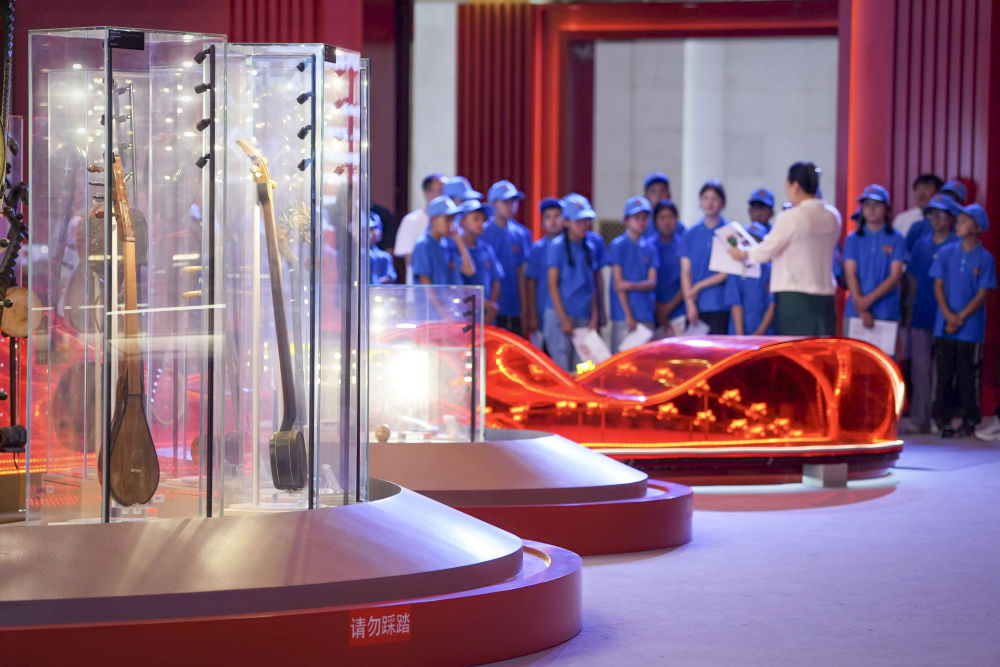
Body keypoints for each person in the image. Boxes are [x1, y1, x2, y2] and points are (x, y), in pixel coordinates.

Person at [728, 161, 842, 336]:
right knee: (820, 347)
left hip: (794, 297)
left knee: (795, 348)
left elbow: (767, 250)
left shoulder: (791, 216)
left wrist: (742, 253)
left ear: (795, 186)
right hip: (825, 295)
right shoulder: (832, 216)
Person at [930, 203, 996, 437]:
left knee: (968, 374)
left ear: (977, 228)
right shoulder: (946, 252)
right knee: (944, 373)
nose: (959, 224)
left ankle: (969, 418)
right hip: (944, 325)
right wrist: (948, 315)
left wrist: (960, 317)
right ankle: (942, 418)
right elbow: (938, 284)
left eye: (965, 221)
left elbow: (982, 293)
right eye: (959, 220)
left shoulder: (985, 258)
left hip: (970, 328)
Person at [903, 193, 959, 433]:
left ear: (951, 217)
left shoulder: (957, 244)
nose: (936, 219)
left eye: (941, 214)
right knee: (920, 369)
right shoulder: (921, 244)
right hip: (922, 313)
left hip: (947, 315)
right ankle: (920, 418)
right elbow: (913, 280)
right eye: (932, 214)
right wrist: (909, 311)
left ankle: (940, 417)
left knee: (944, 370)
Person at [842, 184, 907, 346]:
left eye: (877, 205)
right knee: (853, 357)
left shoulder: (896, 238)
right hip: (855, 311)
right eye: (867, 205)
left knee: (885, 358)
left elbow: (894, 276)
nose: (871, 209)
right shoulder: (853, 238)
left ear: (886, 208)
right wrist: (861, 306)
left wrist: (867, 301)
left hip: (886, 311)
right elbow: (850, 274)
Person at [544, 194, 599, 373]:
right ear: (566, 222)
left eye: (586, 221)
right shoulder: (557, 246)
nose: (584, 225)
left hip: (583, 315)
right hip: (561, 315)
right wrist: (563, 319)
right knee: (561, 369)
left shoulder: (589, 247)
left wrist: (594, 316)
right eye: (579, 221)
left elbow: (591, 285)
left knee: (583, 369)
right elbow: (552, 285)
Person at [608, 196, 659, 353]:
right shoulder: (618, 245)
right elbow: (618, 284)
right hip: (623, 317)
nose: (641, 222)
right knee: (621, 362)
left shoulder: (650, 247)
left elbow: (652, 282)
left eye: (644, 217)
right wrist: (629, 316)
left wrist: (629, 284)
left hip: (646, 314)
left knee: (645, 362)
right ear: (626, 220)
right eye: (637, 218)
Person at [482, 180, 532, 336]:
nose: (510, 206)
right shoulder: (482, 231)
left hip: (514, 305)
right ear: (493, 204)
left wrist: (525, 309)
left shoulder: (522, 233)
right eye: (505, 202)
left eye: (513, 202)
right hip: (489, 306)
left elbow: (522, 273)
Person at [680, 180, 731, 334]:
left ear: (722, 202)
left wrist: (697, 287)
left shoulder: (729, 232)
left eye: (714, 198)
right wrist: (690, 304)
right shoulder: (690, 234)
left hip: (720, 305)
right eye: (706, 198)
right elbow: (685, 272)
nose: (709, 203)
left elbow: (725, 273)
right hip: (695, 306)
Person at [525, 197, 564, 343]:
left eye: (557, 216)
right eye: (548, 217)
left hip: (568, 312)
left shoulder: (571, 246)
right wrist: (533, 315)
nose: (553, 221)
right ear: (542, 221)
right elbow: (531, 283)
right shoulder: (537, 248)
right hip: (542, 310)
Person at [411, 196, 475, 285]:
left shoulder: (449, 245)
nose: (451, 224)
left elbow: (469, 271)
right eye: (448, 219)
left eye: (453, 219)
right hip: (433, 295)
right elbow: (425, 283)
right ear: (433, 220)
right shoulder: (423, 244)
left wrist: (459, 242)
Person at [458, 200, 503, 323]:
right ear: (462, 222)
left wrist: (490, 306)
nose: (481, 224)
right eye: (476, 219)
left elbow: (496, 280)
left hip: (486, 314)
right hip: (464, 314)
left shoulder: (487, 249)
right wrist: (481, 303)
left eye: (483, 220)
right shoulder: (455, 249)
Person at [394, 172, 444, 284]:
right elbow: (410, 258)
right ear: (427, 192)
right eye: (440, 191)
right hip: (420, 289)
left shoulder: (451, 223)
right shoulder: (411, 220)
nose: (445, 195)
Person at [906, 178, 967, 252]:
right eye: (945, 194)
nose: (948, 199)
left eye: (953, 198)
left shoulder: (964, 229)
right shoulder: (919, 227)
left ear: (960, 204)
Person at [652, 200, 685, 336]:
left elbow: (688, 280)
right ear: (655, 221)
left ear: (676, 220)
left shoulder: (684, 246)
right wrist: (658, 309)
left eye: (670, 217)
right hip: (652, 312)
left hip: (679, 312)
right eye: (662, 217)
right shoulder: (648, 247)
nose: (667, 222)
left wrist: (668, 308)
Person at [893, 173, 942, 239]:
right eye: (918, 189)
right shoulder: (902, 219)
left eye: (926, 188)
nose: (921, 194)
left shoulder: (944, 220)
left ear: (938, 193)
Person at [641, 171, 672, 242]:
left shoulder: (676, 226)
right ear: (646, 196)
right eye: (653, 191)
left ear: (669, 195)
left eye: (662, 191)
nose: (658, 195)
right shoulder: (640, 224)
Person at [368, 211, 397, 285]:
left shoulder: (384, 257)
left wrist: (377, 282)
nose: (373, 233)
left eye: (375, 229)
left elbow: (391, 277)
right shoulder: (356, 256)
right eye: (370, 230)